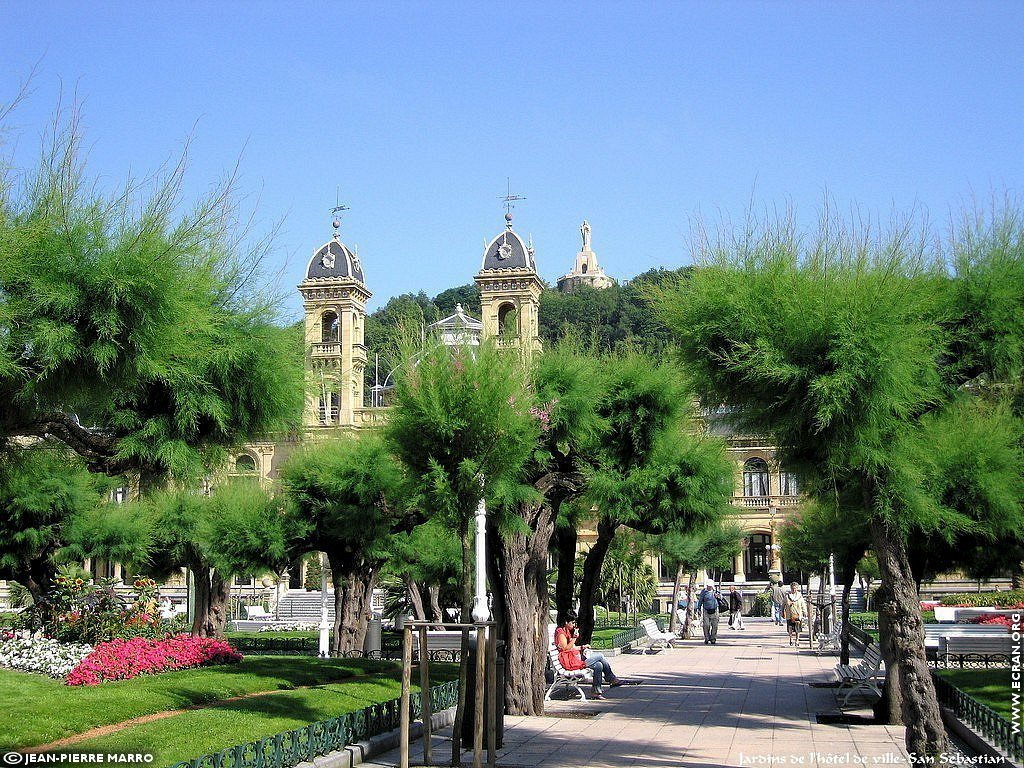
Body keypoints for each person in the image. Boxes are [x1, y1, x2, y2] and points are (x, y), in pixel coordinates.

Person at [554, 611, 622, 699]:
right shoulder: (561, 633)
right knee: (600, 656)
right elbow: (565, 649)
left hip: (573, 659)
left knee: (598, 665)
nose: (574, 625)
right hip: (569, 663)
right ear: (566, 622)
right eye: (573, 623)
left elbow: (571, 648)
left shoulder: (567, 631)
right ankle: (611, 678)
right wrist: (574, 638)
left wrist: (582, 647)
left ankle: (596, 692)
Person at [697, 580, 724, 644]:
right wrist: (699, 608)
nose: (709, 587)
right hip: (706, 610)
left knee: (715, 625)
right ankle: (707, 638)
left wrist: (718, 596)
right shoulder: (704, 592)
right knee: (706, 625)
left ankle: (713, 638)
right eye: (708, 586)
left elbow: (721, 597)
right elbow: (700, 600)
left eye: (710, 586)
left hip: (715, 610)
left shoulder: (716, 591)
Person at [784, 582, 807, 646]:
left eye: (795, 588)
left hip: (798, 614)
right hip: (789, 615)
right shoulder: (787, 597)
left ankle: (797, 640)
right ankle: (791, 639)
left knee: (797, 628)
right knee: (790, 628)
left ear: (797, 588)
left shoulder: (800, 596)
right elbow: (783, 605)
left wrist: (805, 611)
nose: (794, 589)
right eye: (792, 588)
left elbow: (803, 604)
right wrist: (782, 612)